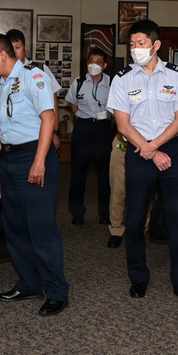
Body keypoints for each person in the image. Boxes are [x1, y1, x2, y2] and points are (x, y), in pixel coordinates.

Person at [106, 19, 178, 305]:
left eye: (141, 43)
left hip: (170, 151)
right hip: (138, 151)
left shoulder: (177, 76)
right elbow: (123, 124)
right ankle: (138, 278)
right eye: (132, 44)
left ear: (156, 45)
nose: (135, 49)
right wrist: (149, 149)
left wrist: (155, 147)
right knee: (134, 220)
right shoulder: (122, 78)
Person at [0, 34, 69, 316]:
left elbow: (49, 118)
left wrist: (39, 161)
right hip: (8, 161)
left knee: (41, 228)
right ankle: (29, 283)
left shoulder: (34, 76)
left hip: (33, 156)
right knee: (15, 227)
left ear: (2, 55)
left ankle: (56, 292)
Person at [66, 48, 113, 225]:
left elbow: (117, 110)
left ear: (104, 65)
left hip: (103, 129)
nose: (94, 65)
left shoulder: (113, 83)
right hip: (83, 128)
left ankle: (105, 213)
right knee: (78, 173)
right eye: (91, 61)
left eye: (98, 62)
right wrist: (80, 116)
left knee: (104, 175)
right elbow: (73, 103)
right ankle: (77, 213)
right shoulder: (78, 82)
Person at [6, 29, 61, 150]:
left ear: (25, 47)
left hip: (39, 135)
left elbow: (53, 102)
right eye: (11, 48)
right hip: (12, 140)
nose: (14, 52)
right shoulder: (2, 74)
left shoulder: (40, 69)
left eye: (18, 47)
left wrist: (55, 132)